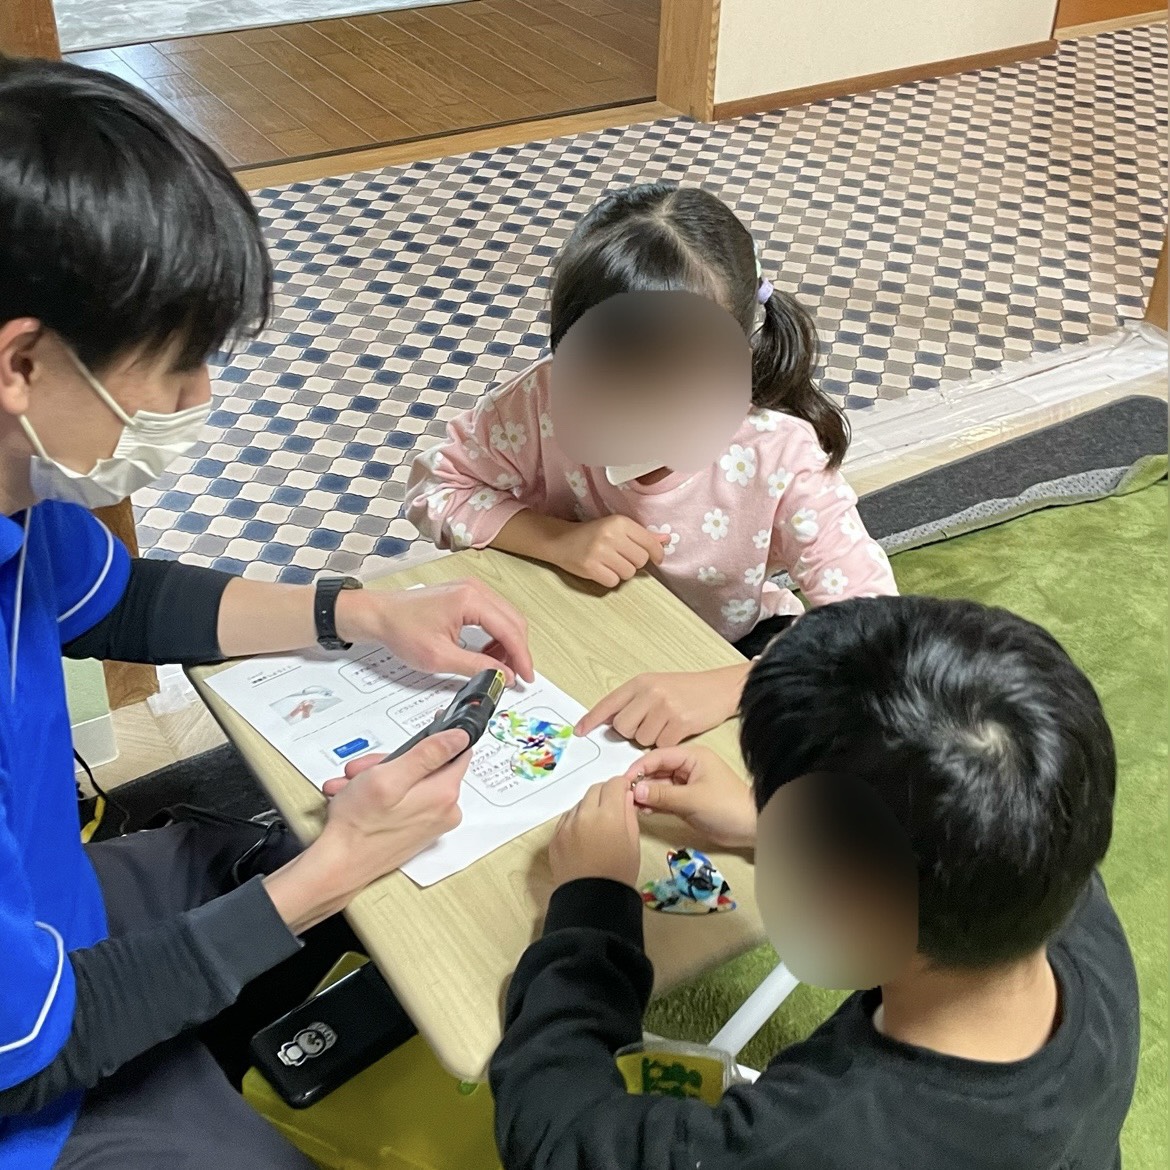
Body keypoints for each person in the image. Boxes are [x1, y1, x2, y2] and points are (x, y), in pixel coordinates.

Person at [0, 57, 533, 1170]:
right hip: (31, 1092)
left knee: (256, 857)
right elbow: (34, 1060)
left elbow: (123, 600)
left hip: (53, 907)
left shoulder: (18, 497)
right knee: (318, 883)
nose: (199, 399)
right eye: (177, 365)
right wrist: (332, 868)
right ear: (23, 362)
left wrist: (363, 613)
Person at [490, 596, 1139, 1170]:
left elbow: (559, 1138)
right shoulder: (1061, 895)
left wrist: (589, 907)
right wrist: (766, 829)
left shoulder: (811, 1143)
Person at [405, 182, 896, 749]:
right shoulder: (538, 403)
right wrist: (557, 540)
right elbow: (435, 488)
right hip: (579, 628)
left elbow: (876, 625)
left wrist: (736, 686)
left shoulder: (777, 454)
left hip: (730, 648)